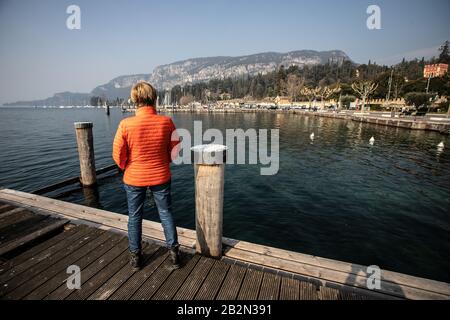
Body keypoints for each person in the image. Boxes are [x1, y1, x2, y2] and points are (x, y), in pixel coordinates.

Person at [113, 81, 181, 271]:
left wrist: (128, 166)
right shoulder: (166, 122)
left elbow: (118, 154)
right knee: (166, 213)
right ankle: (174, 254)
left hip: (134, 177)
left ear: (135, 99)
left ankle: (135, 258)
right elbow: (176, 150)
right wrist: (163, 160)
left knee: (134, 217)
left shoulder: (125, 124)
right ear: (154, 98)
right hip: (161, 175)